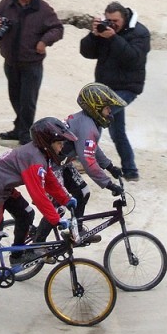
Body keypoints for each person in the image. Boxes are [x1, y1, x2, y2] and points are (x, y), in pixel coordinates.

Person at [0, 117, 78, 293]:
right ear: (48, 142)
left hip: (4, 186)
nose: (62, 146)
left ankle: (17, 256)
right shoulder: (34, 160)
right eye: (59, 142)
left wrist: (66, 199)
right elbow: (38, 195)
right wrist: (56, 219)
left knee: (26, 214)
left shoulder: (41, 155)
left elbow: (49, 180)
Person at [34, 83, 126, 243]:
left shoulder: (89, 122)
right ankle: (37, 243)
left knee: (82, 192)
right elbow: (87, 161)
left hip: (62, 164)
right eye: (107, 108)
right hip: (49, 166)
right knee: (59, 207)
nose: (110, 112)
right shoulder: (87, 126)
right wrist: (108, 184)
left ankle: (76, 230)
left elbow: (92, 148)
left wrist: (109, 166)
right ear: (95, 108)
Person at [0, 0, 64, 146]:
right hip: (10, 62)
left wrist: (44, 41)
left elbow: (58, 29)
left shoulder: (43, 9)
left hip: (32, 63)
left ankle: (25, 135)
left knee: (27, 101)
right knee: (15, 97)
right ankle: (19, 128)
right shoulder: (7, 3)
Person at [79, 1, 150, 181]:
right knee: (117, 132)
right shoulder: (105, 31)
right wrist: (94, 35)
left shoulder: (140, 33)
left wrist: (113, 38)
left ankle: (85, 158)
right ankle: (131, 171)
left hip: (127, 88)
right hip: (105, 87)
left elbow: (134, 59)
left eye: (115, 21)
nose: (112, 24)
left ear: (124, 18)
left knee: (96, 116)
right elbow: (86, 52)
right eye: (108, 20)